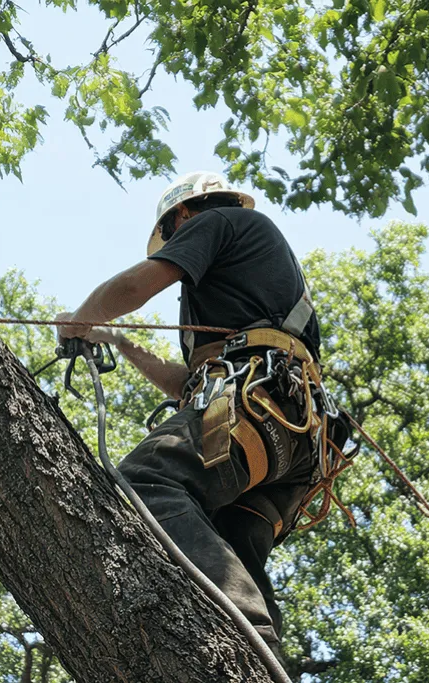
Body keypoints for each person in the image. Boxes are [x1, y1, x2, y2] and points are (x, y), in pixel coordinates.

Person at [57, 170, 327, 667]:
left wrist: (80, 317)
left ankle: (249, 641)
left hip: (257, 405)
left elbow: (142, 281)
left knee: (143, 480)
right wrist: (117, 342)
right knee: (227, 544)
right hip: (289, 437)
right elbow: (189, 384)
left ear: (182, 216)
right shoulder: (250, 275)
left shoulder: (218, 221)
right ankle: (262, 662)